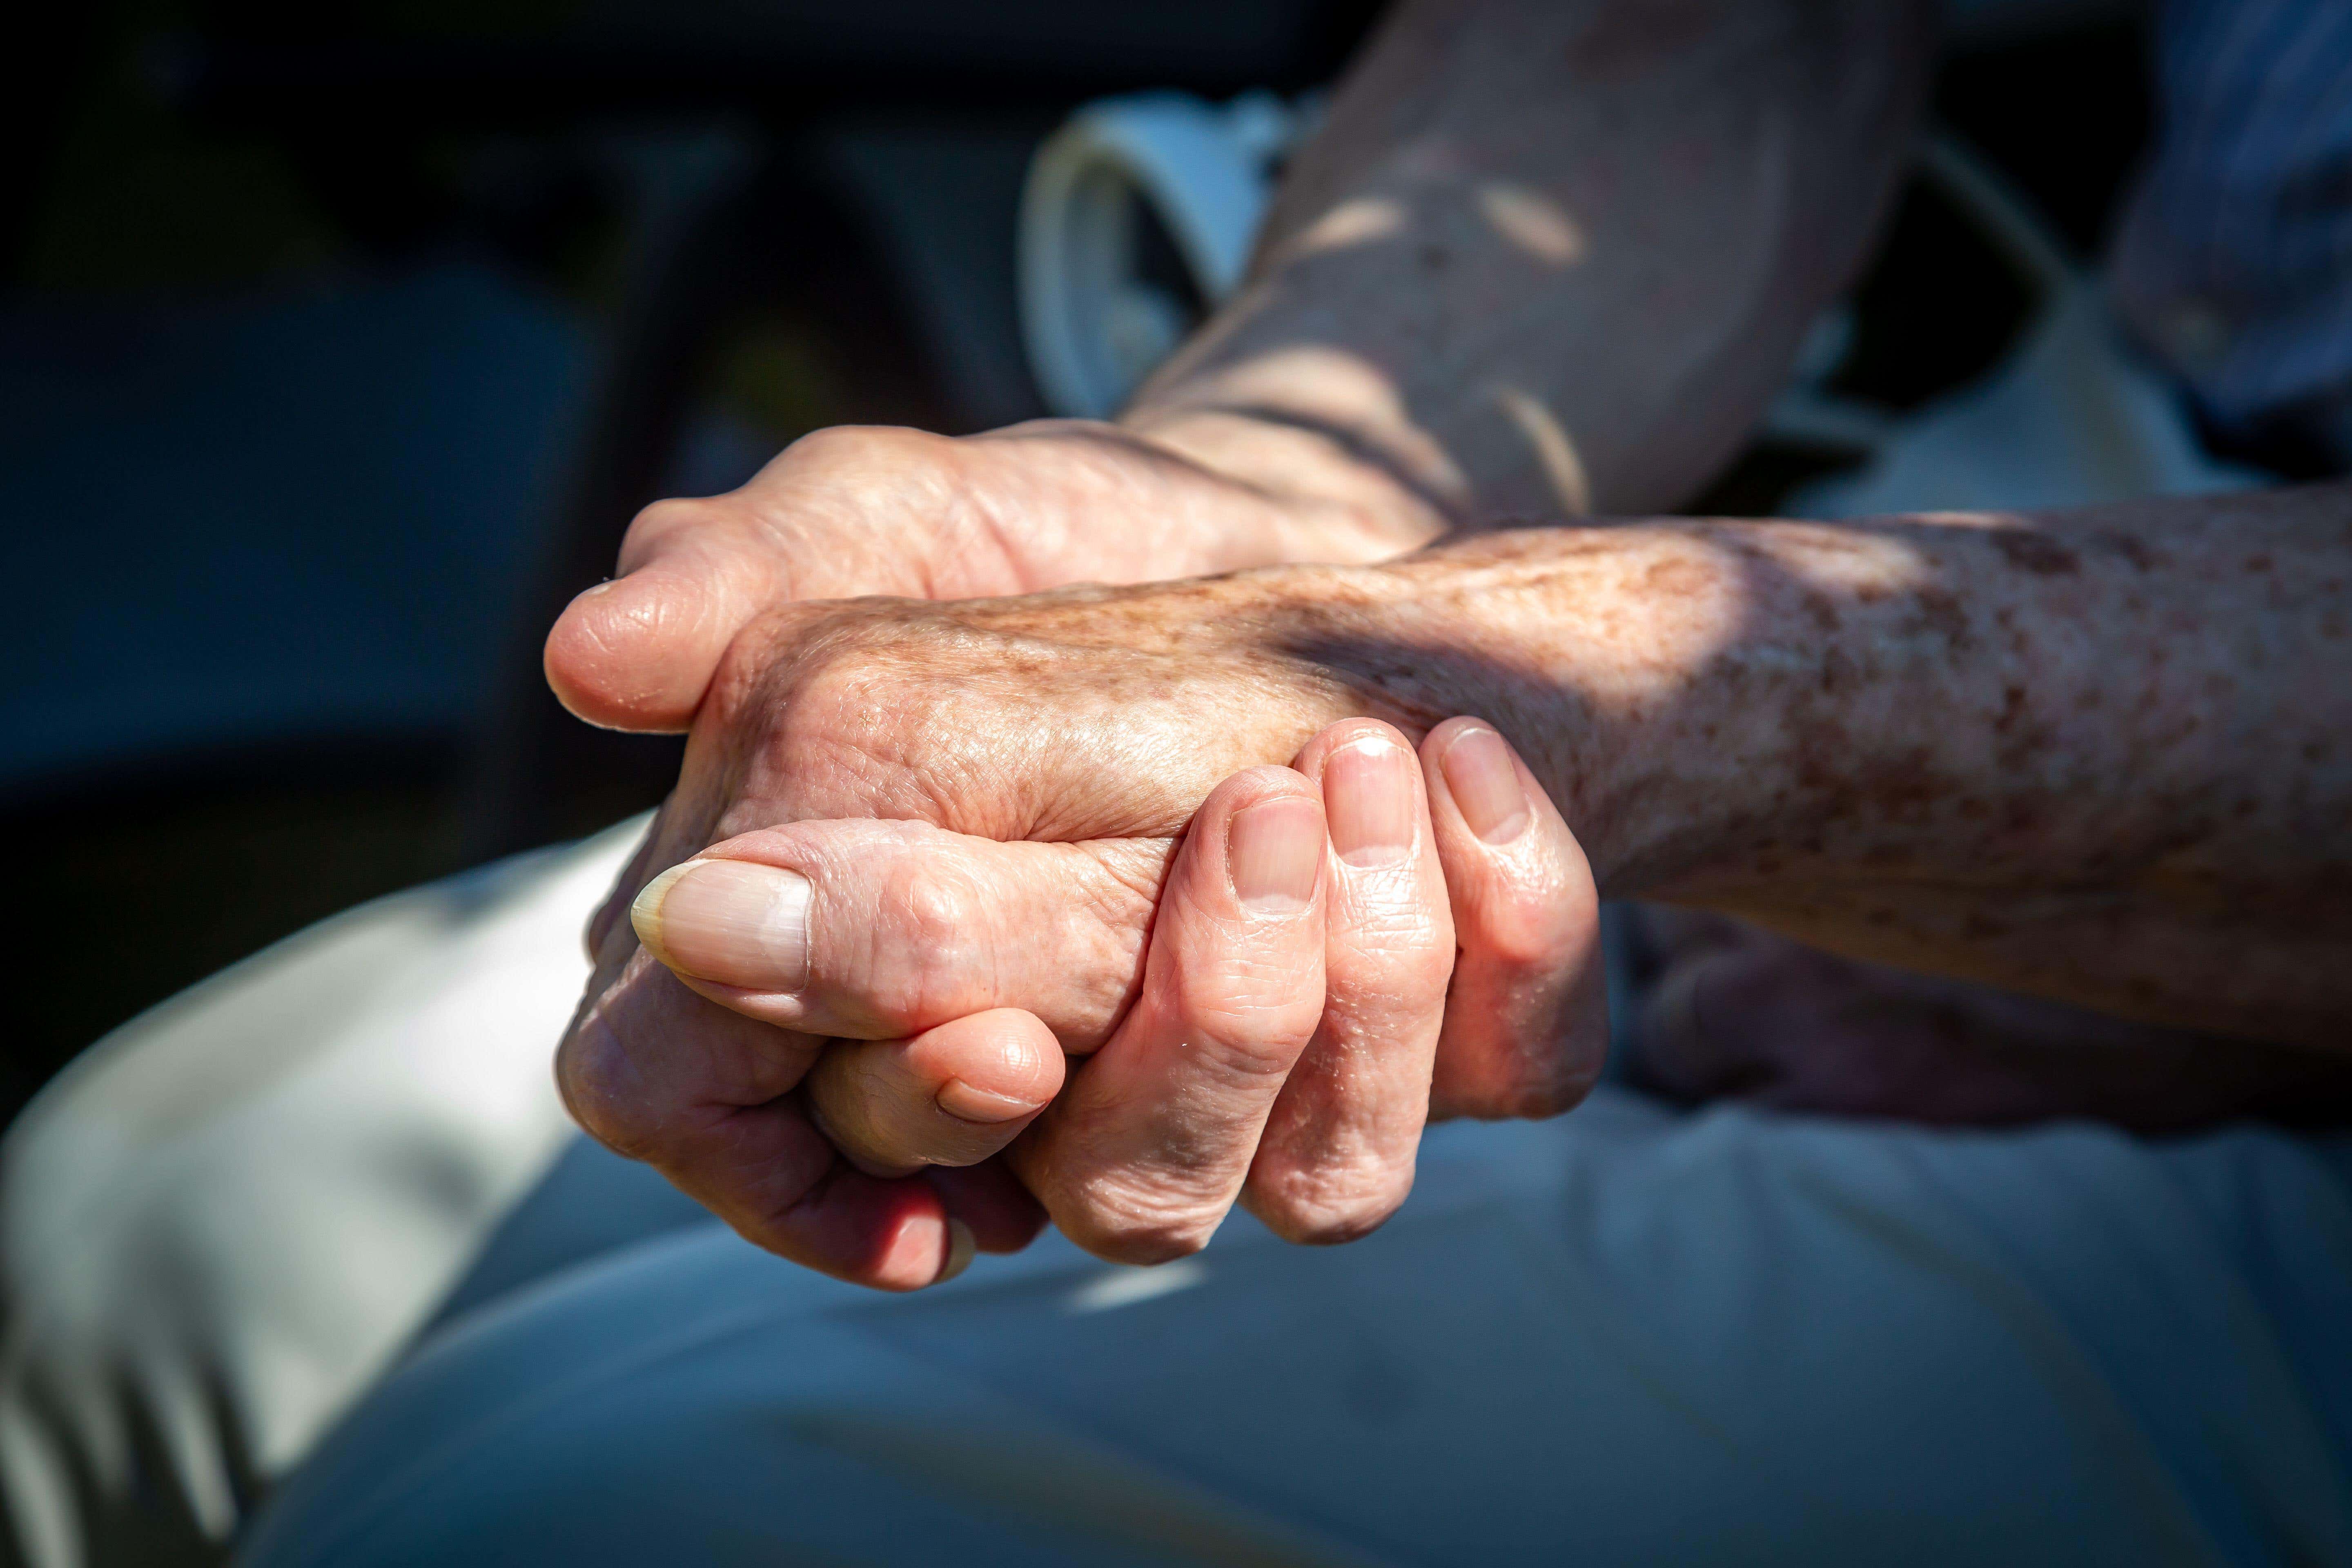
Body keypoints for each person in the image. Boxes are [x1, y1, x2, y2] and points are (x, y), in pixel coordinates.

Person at [9, 1, 2352, 1564]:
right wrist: (1275, 491)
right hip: (2056, 505)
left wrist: (1670, 715)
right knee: (159, 1237)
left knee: (583, 1520)